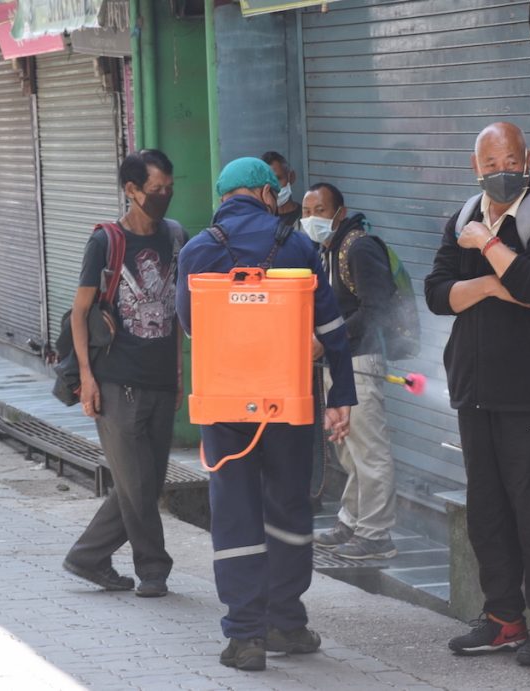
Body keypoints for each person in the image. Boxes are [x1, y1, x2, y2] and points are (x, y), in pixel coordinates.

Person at [176, 157, 356, 672]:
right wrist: (341, 393)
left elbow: (190, 329)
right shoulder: (298, 245)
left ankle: (245, 636)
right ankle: (286, 623)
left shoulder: (196, 250)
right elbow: (333, 331)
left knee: (234, 513)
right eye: (275, 190)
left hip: (225, 403)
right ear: (262, 192)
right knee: (289, 512)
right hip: (289, 402)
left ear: (225, 196)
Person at [424, 122, 530, 666]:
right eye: (490, 164)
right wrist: (492, 283)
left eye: (510, 159)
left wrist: (489, 247)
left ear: (528, 157)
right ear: (476, 168)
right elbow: (437, 293)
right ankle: (503, 618)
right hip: (475, 389)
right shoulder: (463, 216)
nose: (501, 171)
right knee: (486, 511)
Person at [62, 149, 186, 599]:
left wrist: (178, 373)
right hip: (116, 382)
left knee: (146, 484)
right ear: (132, 191)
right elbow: (80, 313)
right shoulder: (106, 242)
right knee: (136, 485)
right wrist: (88, 380)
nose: (165, 196)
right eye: (156, 190)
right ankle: (153, 569)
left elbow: (176, 314)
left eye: (170, 188)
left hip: (159, 379)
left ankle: (87, 556)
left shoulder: (175, 238)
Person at [303, 183, 399, 560]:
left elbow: (377, 308)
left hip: (360, 363)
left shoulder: (357, 247)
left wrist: (328, 339)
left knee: (369, 449)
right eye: (307, 211)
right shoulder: (326, 250)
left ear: (339, 213)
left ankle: (377, 535)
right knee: (348, 450)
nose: (311, 218)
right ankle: (352, 520)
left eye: (320, 210)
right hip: (341, 363)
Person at [260, 151, 302, 227]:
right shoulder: (259, 222)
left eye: (277, 179)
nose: (273, 187)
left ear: (291, 177)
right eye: (266, 182)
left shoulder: (306, 219)